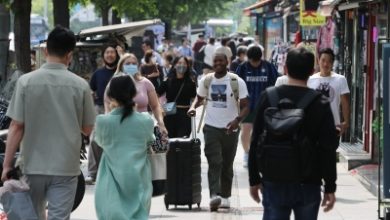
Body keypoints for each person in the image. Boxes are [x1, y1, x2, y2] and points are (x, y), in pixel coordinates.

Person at [1, 26, 96, 220]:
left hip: (32, 165)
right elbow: (87, 129)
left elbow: (16, 126)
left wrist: (6, 165)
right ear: (70, 55)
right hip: (65, 166)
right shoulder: (80, 86)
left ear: (45, 51)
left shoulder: (26, 82)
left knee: (31, 216)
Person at [248, 47, 339, 220]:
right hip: (308, 182)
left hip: (274, 179)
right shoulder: (320, 102)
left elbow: (255, 139)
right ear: (312, 72)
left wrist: (254, 179)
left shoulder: (268, 96)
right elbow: (328, 149)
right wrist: (330, 187)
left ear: (286, 69)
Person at [188, 53, 249, 211]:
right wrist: (193, 107)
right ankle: (214, 195)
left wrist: (237, 121)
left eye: (221, 60)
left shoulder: (236, 81)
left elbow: (246, 105)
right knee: (215, 161)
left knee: (227, 164)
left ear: (227, 62)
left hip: (231, 129)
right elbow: (199, 98)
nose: (218, 63)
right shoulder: (206, 80)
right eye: (215, 61)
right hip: (211, 128)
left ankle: (226, 196)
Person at [94, 75, 154, 219]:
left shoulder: (103, 122)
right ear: (134, 93)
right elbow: (149, 141)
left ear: (110, 95)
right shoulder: (146, 121)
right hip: (139, 180)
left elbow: (100, 142)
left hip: (110, 182)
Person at [104, 53, 168, 136]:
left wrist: (161, 123)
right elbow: (108, 109)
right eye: (128, 64)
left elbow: (155, 106)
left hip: (143, 129)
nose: (131, 66)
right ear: (121, 66)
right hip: (120, 129)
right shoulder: (113, 84)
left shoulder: (145, 83)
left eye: (134, 64)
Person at [235, 45, 278, 167]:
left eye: (257, 61)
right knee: (246, 130)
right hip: (247, 106)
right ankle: (247, 153)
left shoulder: (269, 67)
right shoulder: (243, 67)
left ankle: (261, 153)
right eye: (252, 62)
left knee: (262, 132)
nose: (254, 64)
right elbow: (236, 84)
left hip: (264, 106)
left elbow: (275, 83)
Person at [87, 43, 120, 184]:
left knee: (116, 140)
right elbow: (90, 90)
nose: (110, 55)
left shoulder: (121, 73)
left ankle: (115, 171)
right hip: (99, 109)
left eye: (112, 52)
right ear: (103, 56)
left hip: (118, 109)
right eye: (107, 52)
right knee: (94, 139)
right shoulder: (97, 73)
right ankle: (93, 172)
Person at [308, 48, 350, 136]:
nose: (325, 64)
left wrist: (346, 122)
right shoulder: (310, 80)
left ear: (332, 63)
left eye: (329, 61)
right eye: (323, 60)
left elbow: (345, 102)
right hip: (313, 126)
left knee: (330, 149)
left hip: (334, 126)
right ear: (318, 60)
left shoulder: (340, 79)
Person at [158, 56, 197, 138]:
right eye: (179, 63)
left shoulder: (191, 82)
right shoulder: (168, 80)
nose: (182, 65)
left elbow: (194, 99)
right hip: (169, 115)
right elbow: (156, 95)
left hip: (185, 116)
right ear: (175, 65)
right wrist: (160, 108)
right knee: (170, 142)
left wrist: (194, 106)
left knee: (182, 143)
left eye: (184, 63)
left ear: (187, 66)